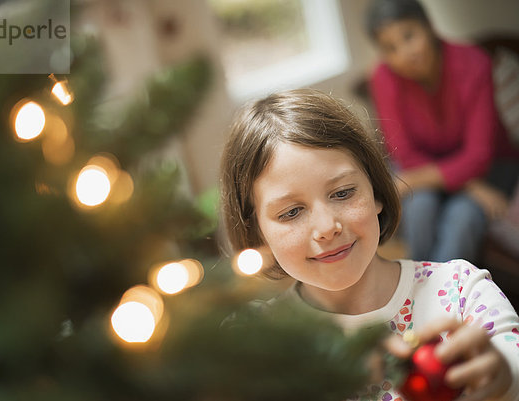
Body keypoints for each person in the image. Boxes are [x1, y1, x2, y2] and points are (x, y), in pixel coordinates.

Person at [220, 88, 519, 401]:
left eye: (343, 193)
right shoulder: (254, 341)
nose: (326, 228)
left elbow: (510, 363)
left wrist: (504, 378)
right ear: (257, 231)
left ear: (376, 191)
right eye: (291, 212)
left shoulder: (462, 290)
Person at [366, 0, 519, 263]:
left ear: (429, 27)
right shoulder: (383, 77)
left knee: (463, 217)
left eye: (409, 36)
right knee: (420, 205)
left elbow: (479, 155)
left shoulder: (474, 63)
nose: (405, 53)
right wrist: (469, 186)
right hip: (434, 169)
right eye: (391, 48)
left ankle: (444, 300)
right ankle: (419, 288)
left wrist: (463, 183)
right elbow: (403, 153)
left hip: (490, 168)